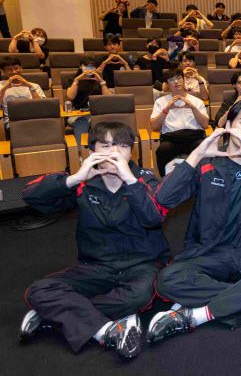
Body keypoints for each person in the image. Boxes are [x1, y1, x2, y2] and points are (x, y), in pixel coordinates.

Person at [147, 100, 241, 344]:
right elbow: (164, 198)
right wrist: (196, 155)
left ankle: (198, 315)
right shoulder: (206, 164)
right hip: (208, 253)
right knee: (167, 280)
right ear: (228, 126)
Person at [19, 122, 170, 358]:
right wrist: (75, 178)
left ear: (131, 152)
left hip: (142, 265)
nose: (114, 153)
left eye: (122, 146)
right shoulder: (83, 183)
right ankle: (106, 330)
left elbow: (153, 217)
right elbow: (31, 196)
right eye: (106, 146)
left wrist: (131, 181)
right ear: (91, 152)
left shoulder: (145, 180)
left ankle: (58, 314)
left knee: (139, 296)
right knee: (39, 291)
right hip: (96, 267)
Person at [150, 65, 209, 176]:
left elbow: (205, 125)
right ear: (167, 84)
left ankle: (203, 180)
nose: (176, 82)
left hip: (194, 137)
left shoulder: (197, 101)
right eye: (171, 80)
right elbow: (154, 126)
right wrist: (167, 109)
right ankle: (166, 181)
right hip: (171, 139)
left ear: (183, 80)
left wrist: (193, 108)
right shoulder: (161, 102)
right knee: (163, 149)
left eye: (178, 78)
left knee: (203, 147)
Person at [65, 56, 113, 145]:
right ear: (80, 66)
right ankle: (82, 150)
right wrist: (76, 80)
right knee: (81, 121)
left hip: (97, 113)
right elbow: (70, 97)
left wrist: (102, 82)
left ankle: (106, 149)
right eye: (86, 66)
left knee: (106, 121)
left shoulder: (99, 80)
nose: (89, 69)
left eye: (92, 66)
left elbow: (109, 98)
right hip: (78, 114)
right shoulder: (73, 80)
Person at [0, 57, 46, 129]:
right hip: (12, 122)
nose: (14, 72)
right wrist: (4, 89)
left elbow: (42, 106)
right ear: (3, 71)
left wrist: (29, 86)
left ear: (21, 68)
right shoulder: (1, 86)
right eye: (9, 69)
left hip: (34, 119)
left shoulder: (34, 86)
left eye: (16, 68)